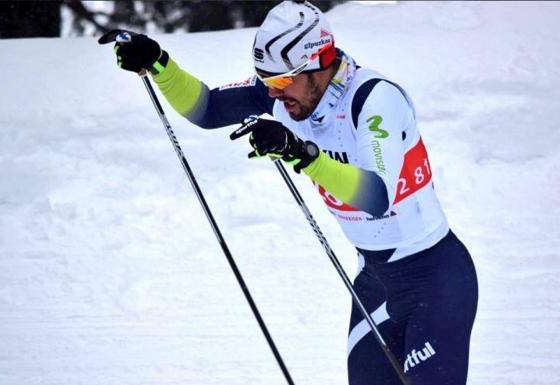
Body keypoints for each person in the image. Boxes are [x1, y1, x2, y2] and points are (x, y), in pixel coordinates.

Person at [108, 1, 478, 384]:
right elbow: (208, 109)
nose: (274, 92)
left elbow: (376, 197)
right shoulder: (287, 94)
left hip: (435, 280)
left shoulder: (374, 100)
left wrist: (302, 153)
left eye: (283, 81)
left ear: (319, 63)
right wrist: (158, 64)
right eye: (267, 81)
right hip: (375, 282)